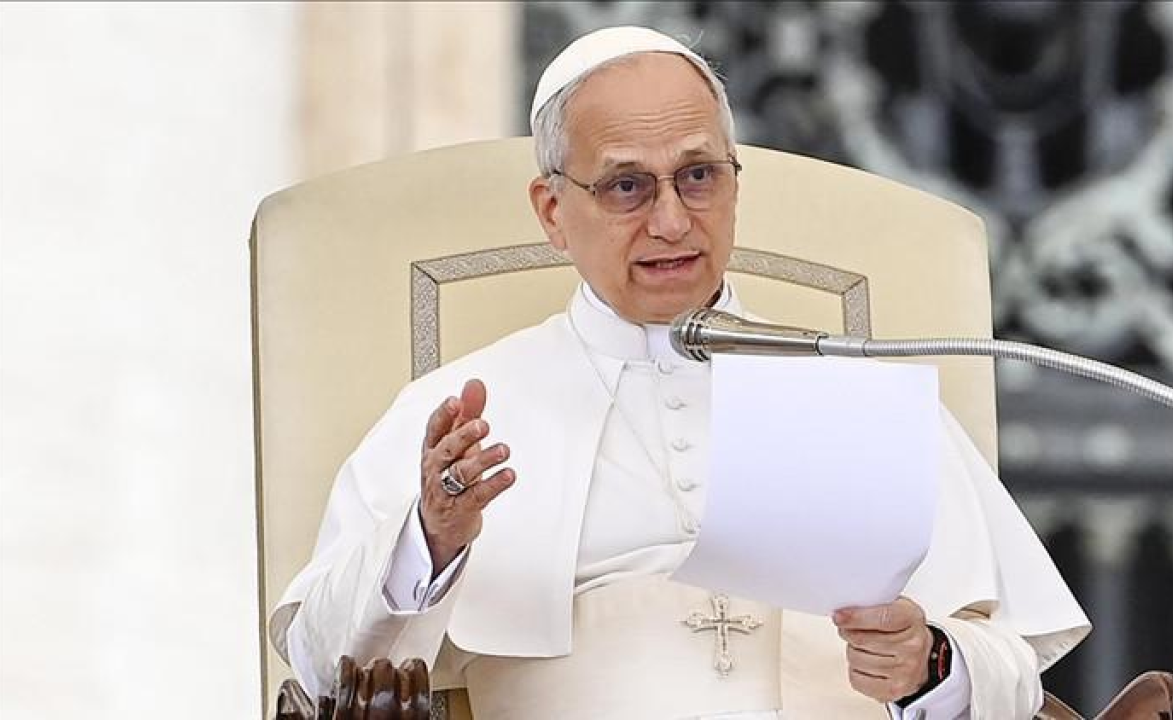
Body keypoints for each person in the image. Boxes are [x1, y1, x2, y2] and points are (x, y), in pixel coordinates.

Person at [270, 26, 1090, 720]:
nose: (671, 220)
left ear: (734, 184)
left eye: (698, 176)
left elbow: (1014, 676)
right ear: (553, 211)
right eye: (627, 186)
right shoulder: (469, 417)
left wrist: (932, 664)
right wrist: (431, 536)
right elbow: (321, 667)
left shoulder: (859, 394)